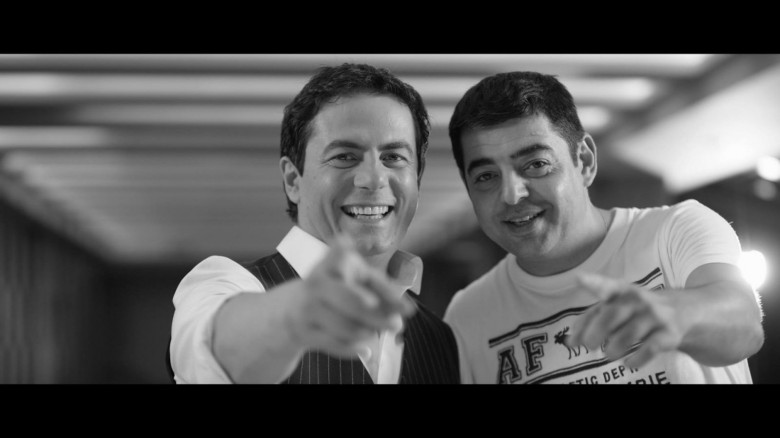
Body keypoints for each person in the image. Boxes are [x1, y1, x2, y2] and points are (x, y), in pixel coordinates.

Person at [443, 71, 765, 384]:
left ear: (584, 161)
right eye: (486, 176)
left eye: (537, 164)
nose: (512, 195)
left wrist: (677, 313)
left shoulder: (674, 230)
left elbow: (745, 325)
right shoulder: (468, 315)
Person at [168, 63, 460, 384]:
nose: (374, 178)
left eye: (393, 157)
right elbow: (215, 346)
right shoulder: (225, 285)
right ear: (293, 180)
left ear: (417, 179)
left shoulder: (440, 339)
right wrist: (295, 314)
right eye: (344, 156)